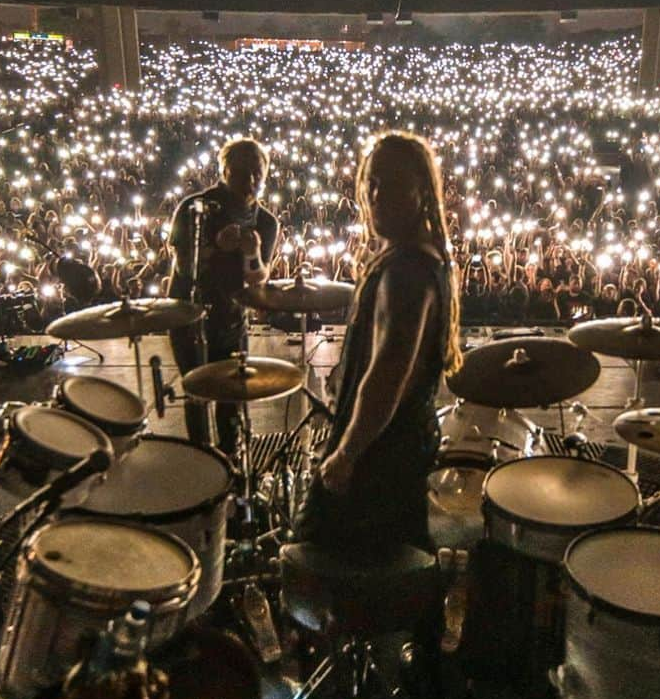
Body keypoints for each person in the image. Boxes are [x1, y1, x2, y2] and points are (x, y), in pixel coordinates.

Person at [297, 131, 461, 554]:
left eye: (391, 183)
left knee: (337, 560)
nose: (375, 194)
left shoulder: (406, 272)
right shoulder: (418, 257)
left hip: (381, 452)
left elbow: (389, 371)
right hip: (402, 441)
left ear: (422, 192)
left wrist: (348, 452)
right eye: (371, 181)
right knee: (398, 562)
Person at [167, 137, 278, 453]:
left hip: (231, 321)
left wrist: (252, 255)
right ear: (225, 171)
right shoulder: (194, 209)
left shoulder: (265, 222)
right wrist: (215, 247)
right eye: (243, 173)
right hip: (189, 320)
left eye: (257, 173)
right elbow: (185, 267)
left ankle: (231, 461)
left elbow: (257, 279)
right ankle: (200, 462)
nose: (251, 181)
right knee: (197, 397)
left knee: (232, 401)